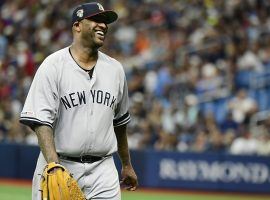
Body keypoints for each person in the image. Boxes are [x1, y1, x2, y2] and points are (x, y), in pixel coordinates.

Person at [19, 2, 138, 200]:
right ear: (77, 26)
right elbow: (41, 122)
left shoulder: (115, 69)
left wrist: (126, 164)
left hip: (104, 170)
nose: (103, 25)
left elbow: (120, 122)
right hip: (62, 163)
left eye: (105, 22)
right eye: (96, 20)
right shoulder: (53, 66)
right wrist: (53, 165)